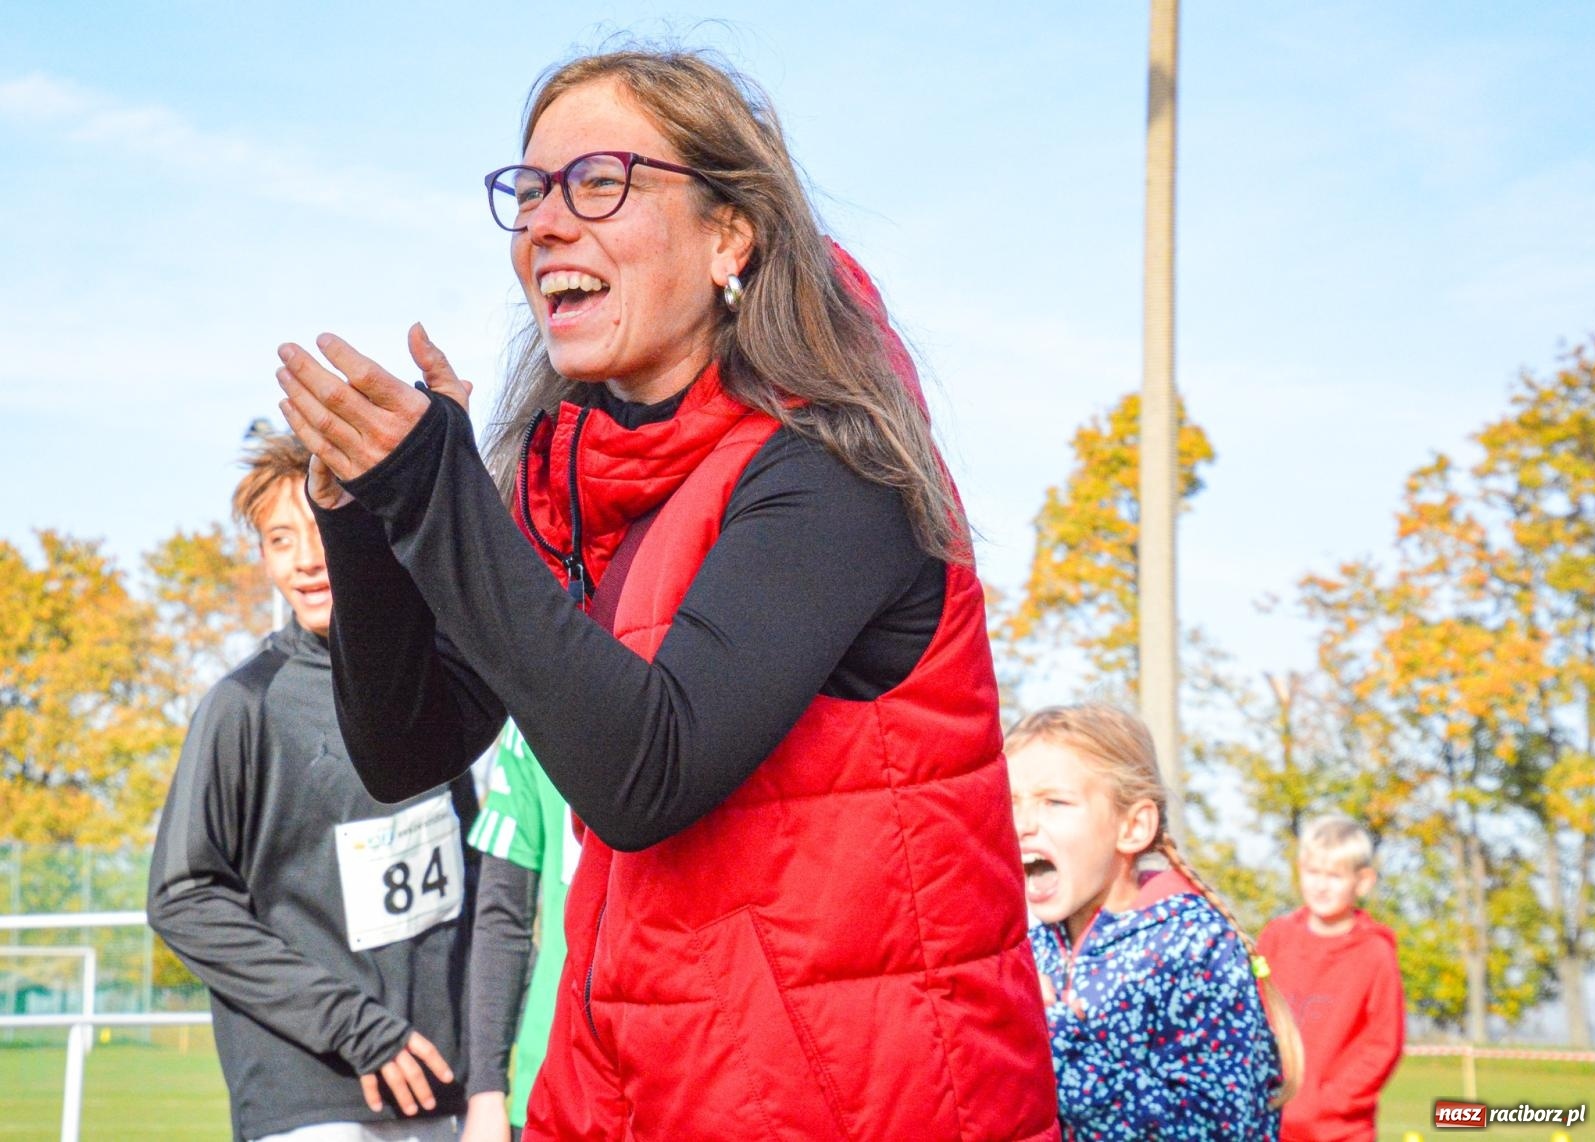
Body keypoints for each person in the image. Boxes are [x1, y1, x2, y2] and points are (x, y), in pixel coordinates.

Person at [273, 46, 1059, 1141]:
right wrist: (369, 514)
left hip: (857, 1108)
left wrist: (438, 495)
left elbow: (644, 774)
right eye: (530, 191)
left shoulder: (836, 466)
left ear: (729, 235)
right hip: (642, 1092)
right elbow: (411, 745)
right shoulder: (580, 491)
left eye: (599, 181)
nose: (546, 223)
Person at [147, 434, 475, 1142]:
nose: (304, 559)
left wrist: (489, 1069)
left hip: (450, 1092)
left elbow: (474, 882)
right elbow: (182, 897)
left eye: (320, 530)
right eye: (279, 539)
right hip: (312, 1101)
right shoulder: (243, 706)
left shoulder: (435, 683)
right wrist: (354, 1026)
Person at [1006, 703, 1303, 1139]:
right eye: (1009, 802)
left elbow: (1217, 1128)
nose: (1023, 824)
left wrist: (1057, 1040)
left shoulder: (1192, 947)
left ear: (1132, 827)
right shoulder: (1029, 946)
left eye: (1055, 802)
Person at [461, 723, 577, 1141]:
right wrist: (486, 1091)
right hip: (551, 1076)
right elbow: (503, 916)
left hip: (691, 1075)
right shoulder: (532, 717)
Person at [1257, 814, 1405, 1141]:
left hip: (1340, 1131)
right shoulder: (1276, 938)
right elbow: (1253, 1016)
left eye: (1334, 876)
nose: (1321, 885)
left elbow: (1384, 1045)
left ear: (1363, 881)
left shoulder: (1375, 953)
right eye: (1313, 872)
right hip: (1271, 1123)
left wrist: (1329, 1102)